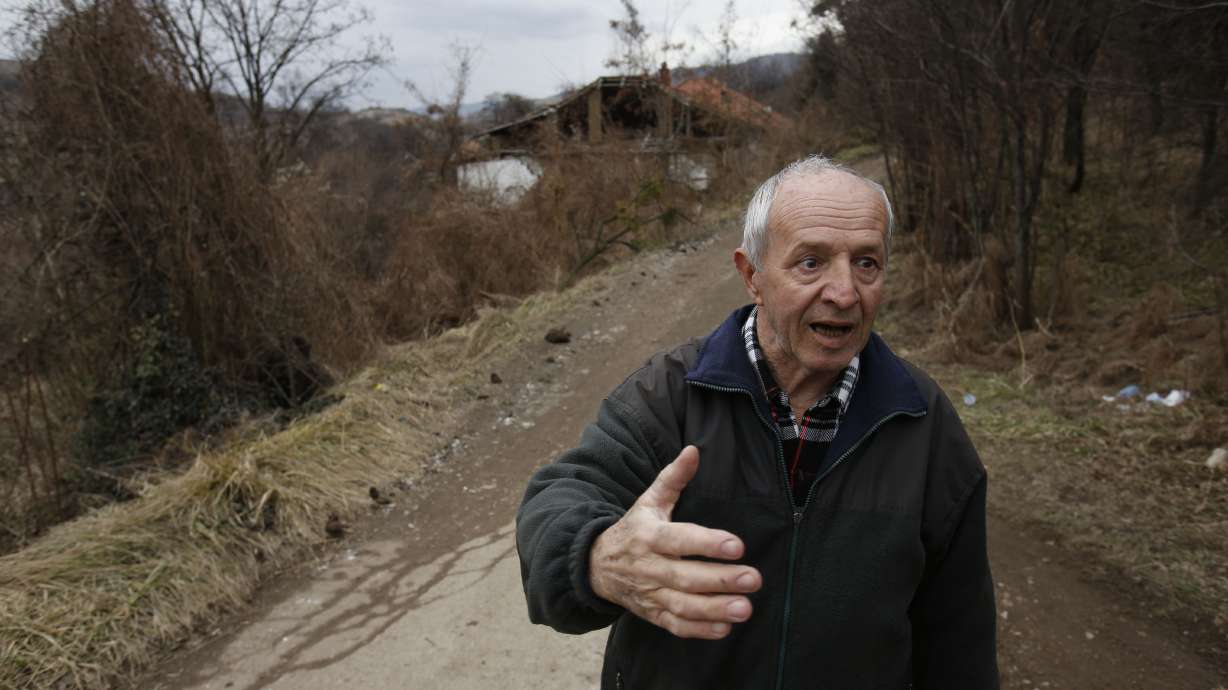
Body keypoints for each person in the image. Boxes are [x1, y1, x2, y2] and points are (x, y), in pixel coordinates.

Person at [515, 156, 999, 690]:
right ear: (752, 276)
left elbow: (962, 641)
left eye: (866, 263)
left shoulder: (924, 422)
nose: (844, 293)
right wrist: (597, 558)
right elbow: (562, 497)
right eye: (811, 262)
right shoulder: (671, 395)